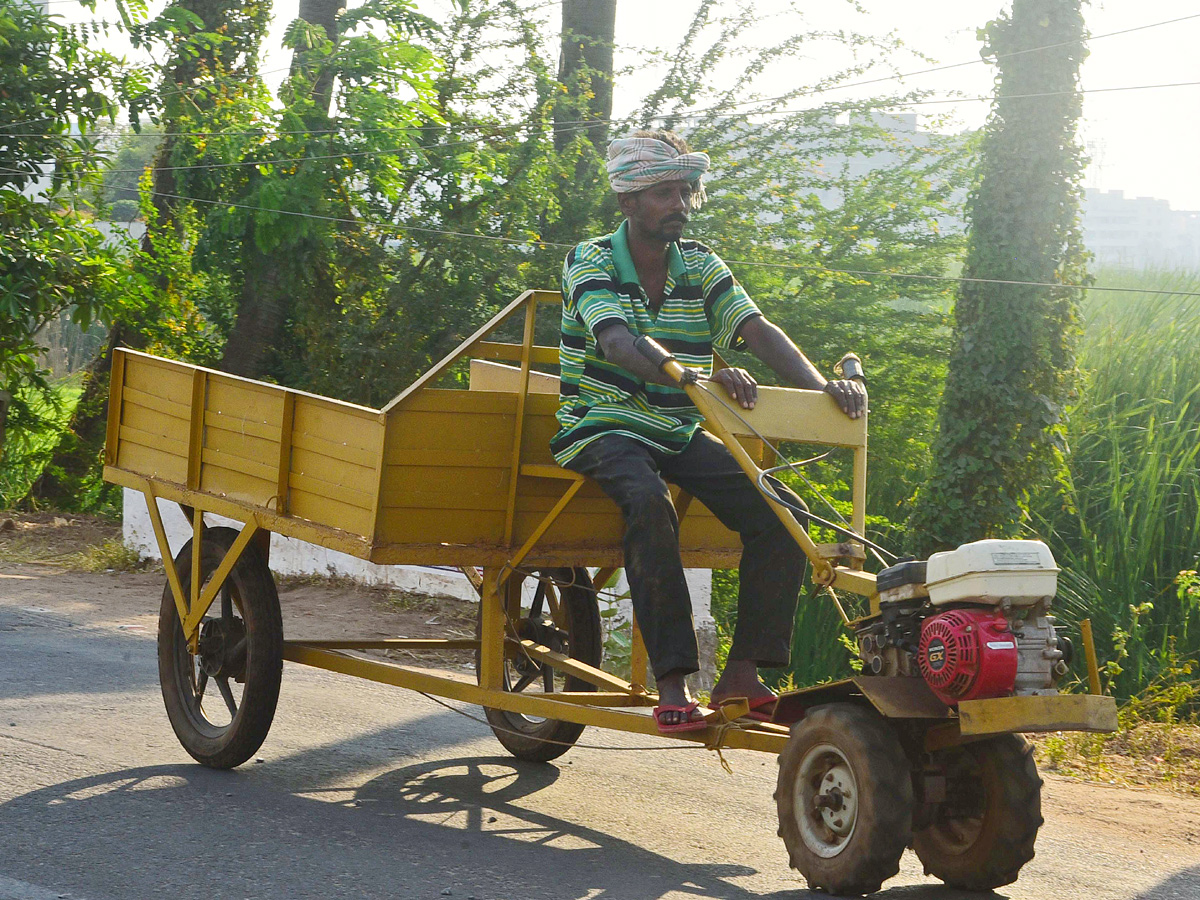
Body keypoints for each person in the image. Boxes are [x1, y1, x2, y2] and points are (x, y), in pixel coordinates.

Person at [554, 131, 867, 733]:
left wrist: (818, 389)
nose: (680, 203)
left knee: (783, 514)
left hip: (674, 426)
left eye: (685, 191)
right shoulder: (589, 259)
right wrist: (692, 373)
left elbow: (756, 328)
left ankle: (744, 672)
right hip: (600, 422)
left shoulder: (700, 264)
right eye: (664, 193)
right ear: (629, 204)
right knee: (647, 502)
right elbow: (616, 343)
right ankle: (673, 683)